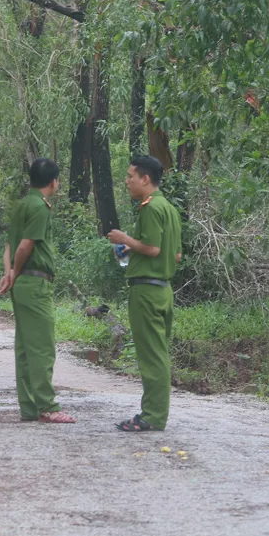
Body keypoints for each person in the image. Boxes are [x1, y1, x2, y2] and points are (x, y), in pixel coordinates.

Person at [0, 158, 76, 424]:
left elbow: (9, 245)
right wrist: (15, 273)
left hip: (22, 283)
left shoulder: (21, 205)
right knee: (41, 345)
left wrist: (9, 274)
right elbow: (24, 246)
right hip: (34, 282)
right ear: (54, 182)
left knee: (26, 346)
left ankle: (29, 407)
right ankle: (47, 406)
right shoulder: (40, 208)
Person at [107, 156, 182, 432]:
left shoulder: (150, 209)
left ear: (145, 179)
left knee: (152, 356)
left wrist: (124, 239)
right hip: (163, 290)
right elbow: (175, 253)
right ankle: (153, 413)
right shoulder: (170, 210)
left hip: (147, 291)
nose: (127, 181)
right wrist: (131, 250)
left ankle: (152, 416)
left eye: (130, 176)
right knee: (158, 352)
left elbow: (152, 249)